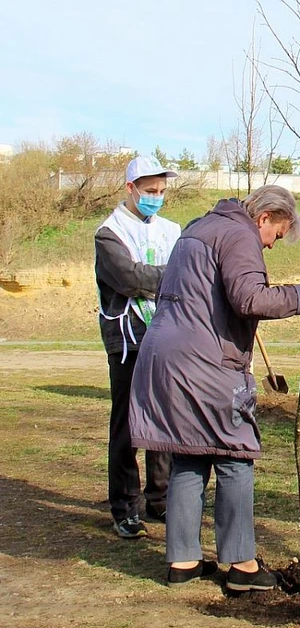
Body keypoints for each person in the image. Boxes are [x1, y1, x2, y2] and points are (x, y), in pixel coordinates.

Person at [129, 185, 300, 589]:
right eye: (276, 235)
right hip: (205, 364)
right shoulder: (240, 235)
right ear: (264, 218)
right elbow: (250, 299)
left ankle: (183, 561)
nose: (273, 246)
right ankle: (242, 566)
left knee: (189, 454)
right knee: (235, 453)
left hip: (165, 356)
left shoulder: (197, 228)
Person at [95, 156, 181, 539]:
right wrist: (173, 275)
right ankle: (124, 506)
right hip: (127, 335)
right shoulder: (109, 233)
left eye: (161, 191)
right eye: (149, 191)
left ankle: (160, 498)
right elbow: (129, 277)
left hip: (165, 332)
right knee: (128, 423)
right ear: (130, 188)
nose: (156, 198)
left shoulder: (171, 230)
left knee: (163, 417)